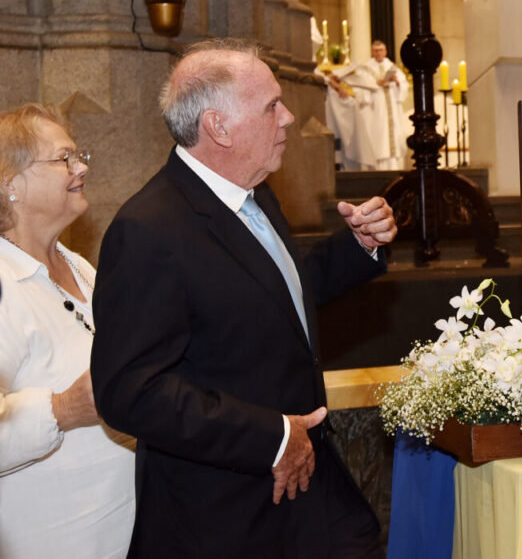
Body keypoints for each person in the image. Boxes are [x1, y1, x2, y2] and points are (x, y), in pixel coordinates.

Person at [90, 39, 398, 557]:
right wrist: (271, 437)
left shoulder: (255, 195)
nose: (289, 117)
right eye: (271, 106)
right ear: (219, 127)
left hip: (304, 492)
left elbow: (276, 293)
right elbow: (130, 391)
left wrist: (358, 246)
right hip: (225, 514)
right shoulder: (148, 229)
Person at [0, 104, 135, 557]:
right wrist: (62, 409)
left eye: (80, 156)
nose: (81, 168)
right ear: (11, 183)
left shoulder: (78, 266)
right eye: (64, 159)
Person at [324, 40, 410, 171]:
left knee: (392, 145)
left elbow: (403, 88)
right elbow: (359, 91)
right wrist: (375, 86)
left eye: (381, 50)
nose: (379, 53)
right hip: (374, 112)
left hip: (392, 112)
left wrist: (396, 82)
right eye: (376, 51)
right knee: (377, 142)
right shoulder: (365, 69)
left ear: (386, 52)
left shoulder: (393, 68)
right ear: (372, 52)